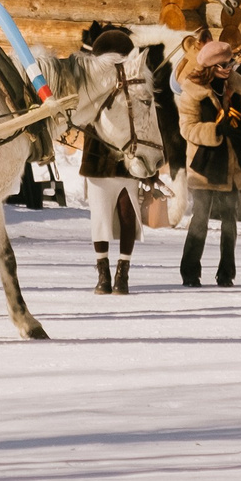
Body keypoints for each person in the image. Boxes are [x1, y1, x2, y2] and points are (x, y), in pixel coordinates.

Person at [175, 35, 241, 287]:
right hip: (205, 163)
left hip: (231, 162)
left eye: (231, 64)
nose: (228, 69)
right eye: (223, 66)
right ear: (210, 67)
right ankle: (190, 272)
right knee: (200, 218)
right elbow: (187, 128)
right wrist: (216, 130)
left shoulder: (236, 85)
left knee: (230, 219)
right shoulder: (193, 91)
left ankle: (226, 273)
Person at [75, 26, 141, 295]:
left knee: (128, 217)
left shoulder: (136, 82)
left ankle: (122, 273)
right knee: (100, 219)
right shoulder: (91, 84)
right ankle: (102, 273)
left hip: (128, 159)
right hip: (98, 158)